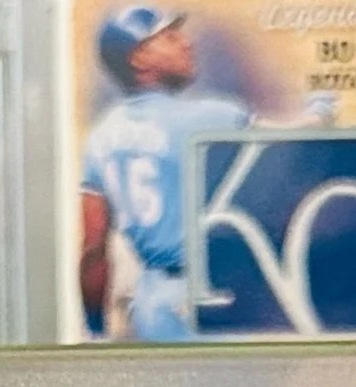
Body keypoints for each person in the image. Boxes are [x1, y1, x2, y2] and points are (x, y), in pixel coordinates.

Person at [77, 6, 249, 339]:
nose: (186, 43)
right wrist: (320, 113)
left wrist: (95, 329)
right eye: (169, 38)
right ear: (139, 58)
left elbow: (93, 250)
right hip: (215, 294)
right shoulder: (217, 117)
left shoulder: (100, 137)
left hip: (153, 302)